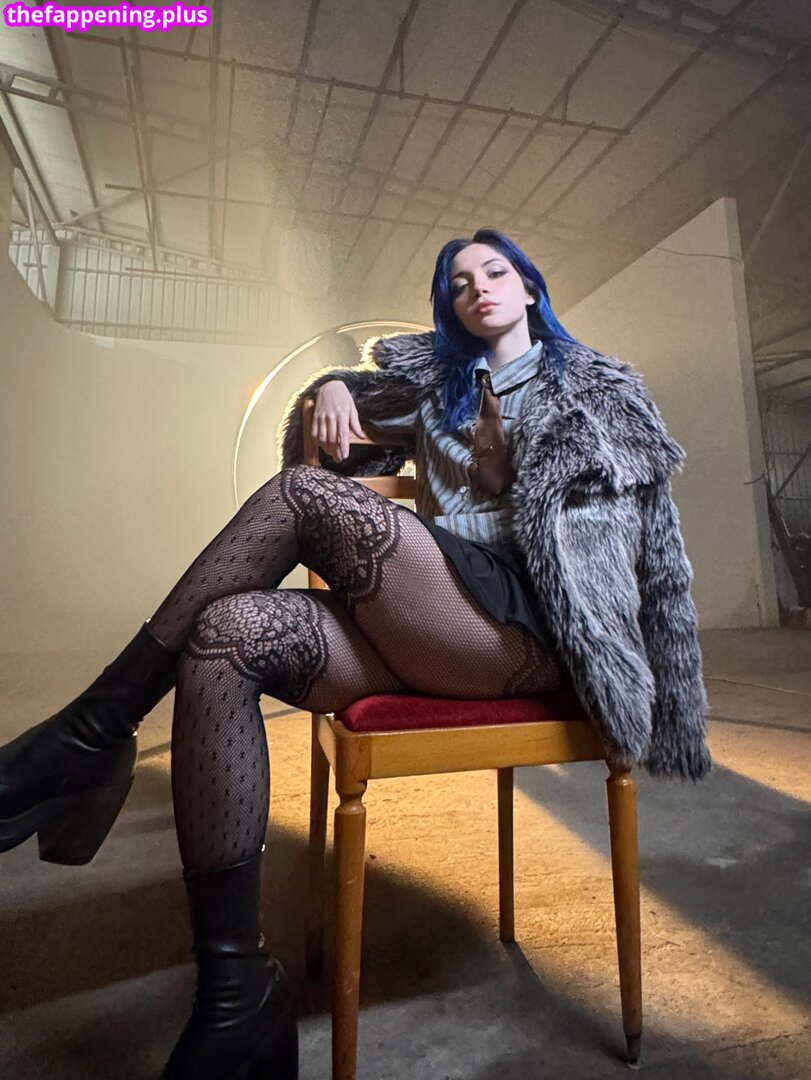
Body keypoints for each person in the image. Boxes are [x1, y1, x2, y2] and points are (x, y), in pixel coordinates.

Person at [0, 227, 711, 1079]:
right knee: (227, 636)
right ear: (448, 308)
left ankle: (89, 736)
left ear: (529, 288)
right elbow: (333, 423)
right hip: (437, 621)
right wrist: (330, 388)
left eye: (494, 272)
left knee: (303, 497)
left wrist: (661, 690)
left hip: (533, 630)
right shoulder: (432, 395)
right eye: (458, 283)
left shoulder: (600, 393)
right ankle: (235, 994)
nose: (477, 288)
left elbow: (655, 559)